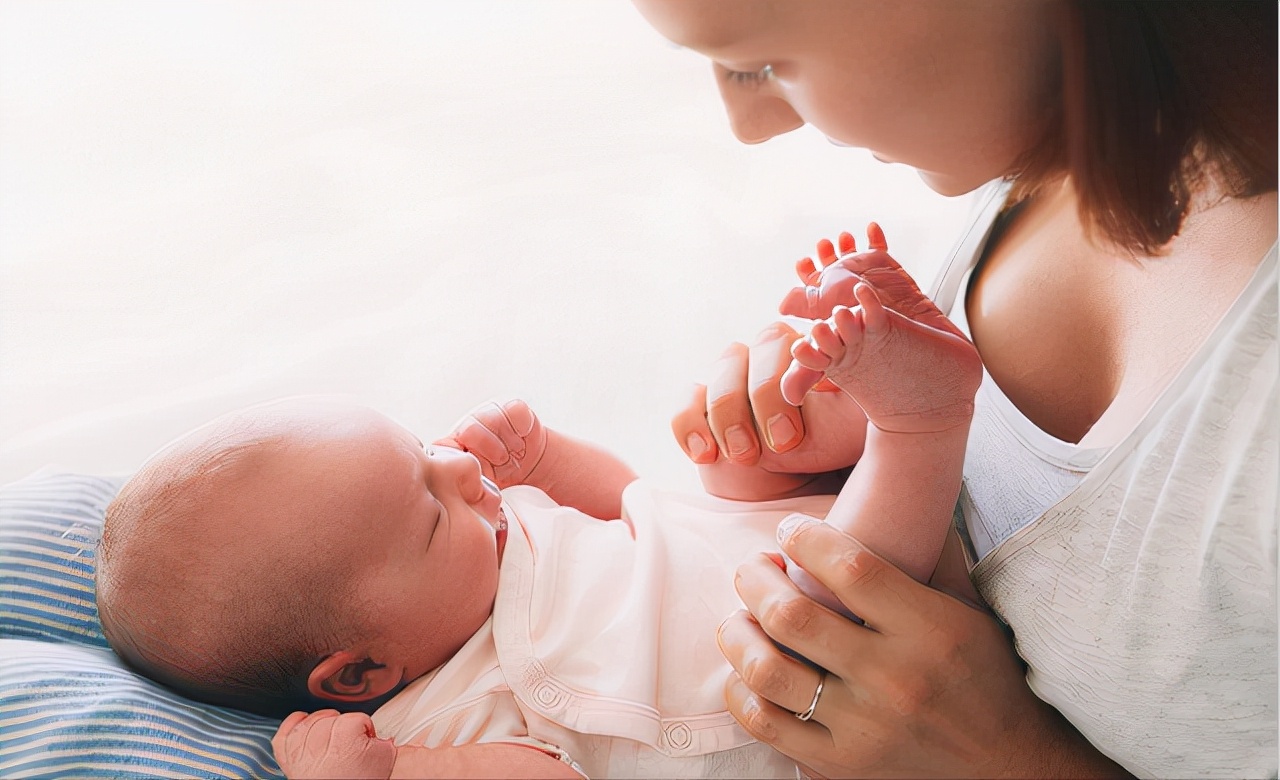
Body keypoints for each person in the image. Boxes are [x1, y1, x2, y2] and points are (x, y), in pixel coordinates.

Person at [637, 0, 1277, 777]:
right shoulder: (1062, 145)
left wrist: (1015, 761)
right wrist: (853, 469)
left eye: (758, 64)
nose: (750, 125)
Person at [95, 244, 985, 779]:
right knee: (821, 597)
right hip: (824, 690)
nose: (458, 469)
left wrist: (550, 462)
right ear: (359, 674)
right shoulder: (431, 722)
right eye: (431, 511)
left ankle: (835, 394)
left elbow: (624, 506)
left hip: (728, 549)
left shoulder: (489, 534)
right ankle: (916, 426)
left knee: (735, 462)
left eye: (422, 452)